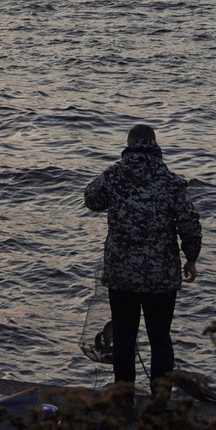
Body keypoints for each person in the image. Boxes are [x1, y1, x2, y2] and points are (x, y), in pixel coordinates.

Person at [83, 123, 201, 391]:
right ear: (155, 145)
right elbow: (190, 225)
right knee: (160, 339)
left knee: (123, 339)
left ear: (129, 144)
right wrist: (191, 258)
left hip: (121, 276)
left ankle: (123, 400)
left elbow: (91, 199)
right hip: (160, 279)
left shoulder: (115, 175)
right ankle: (159, 405)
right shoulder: (170, 182)